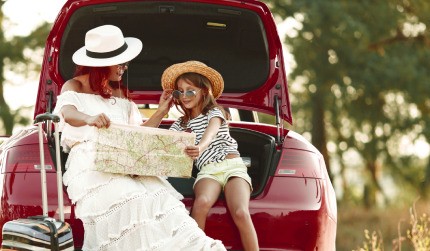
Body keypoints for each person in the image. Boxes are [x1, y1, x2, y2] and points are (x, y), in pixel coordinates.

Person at [53, 25, 226, 251]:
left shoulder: (121, 92)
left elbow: (139, 136)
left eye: (125, 62)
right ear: (103, 63)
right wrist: (89, 118)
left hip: (128, 163)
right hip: (92, 165)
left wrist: (162, 110)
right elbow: (67, 112)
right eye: (120, 62)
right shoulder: (76, 85)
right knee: (132, 199)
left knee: (165, 203)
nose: (125, 67)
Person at [161, 61, 259, 251]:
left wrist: (200, 146)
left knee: (240, 212)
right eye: (179, 92)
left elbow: (211, 132)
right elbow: (161, 142)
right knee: (201, 204)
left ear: (204, 91)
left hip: (233, 167)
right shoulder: (180, 124)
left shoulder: (214, 112)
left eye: (190, 90)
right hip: (208, 172)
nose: (184, 96)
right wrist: (162, 110)